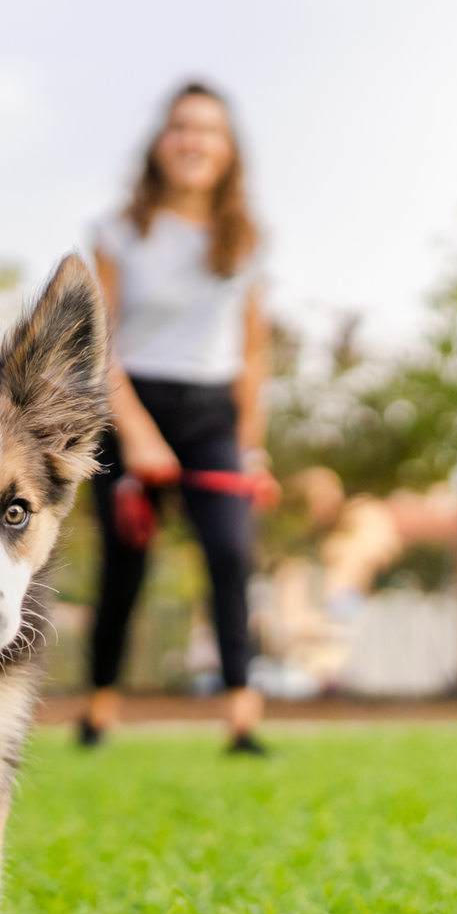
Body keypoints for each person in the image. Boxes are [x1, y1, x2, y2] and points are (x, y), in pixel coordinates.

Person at [80, 80, 276, 756]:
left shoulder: (246, 239)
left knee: (230, 554)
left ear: (227, 150)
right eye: (181, 127)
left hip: (210, 412)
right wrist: (134, 434)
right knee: (124, 565)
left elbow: (254, 350)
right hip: (129, 403)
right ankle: (99, 709)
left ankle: (241, 717)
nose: (194, 141)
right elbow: (96, 341)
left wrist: (248, 446)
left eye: (209, 131)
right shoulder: (119, 230)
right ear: (160, 142)